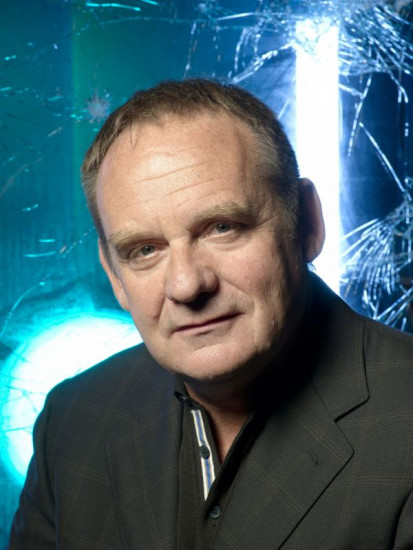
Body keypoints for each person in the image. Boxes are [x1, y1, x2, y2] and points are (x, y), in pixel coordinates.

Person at [7, 79, 413, 550]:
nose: (186, 285)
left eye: (223, 227)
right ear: (114, 274)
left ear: (306, 223)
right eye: (144, 250)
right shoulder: (73, 419)